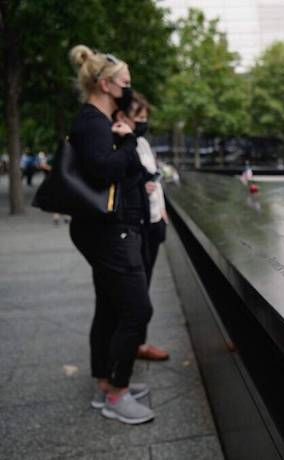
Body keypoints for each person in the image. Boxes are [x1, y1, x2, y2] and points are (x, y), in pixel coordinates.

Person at [67, 44, 154, 425]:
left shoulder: (99, 121)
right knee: (137, 309)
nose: (128, 91)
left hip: (105, 229)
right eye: (124, 84)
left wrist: (125, 136)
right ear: (105, 84)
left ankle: (106, 383)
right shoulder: (92, 123)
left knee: (110, 306)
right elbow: (104, 170)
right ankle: (117, 394)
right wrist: (132, 142)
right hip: (107, 232)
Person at [113, 91, 169, 361]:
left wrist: (163, 210)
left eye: (146, 118)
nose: (144, 123)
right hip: (139, 225)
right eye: (140, 118)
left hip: (155, 221)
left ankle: (137, 343)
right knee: (137, 291)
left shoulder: (143, 143)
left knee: (144, 284)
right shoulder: (124, 143)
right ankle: (133, 345)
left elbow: (153, 179)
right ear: (124, 117)